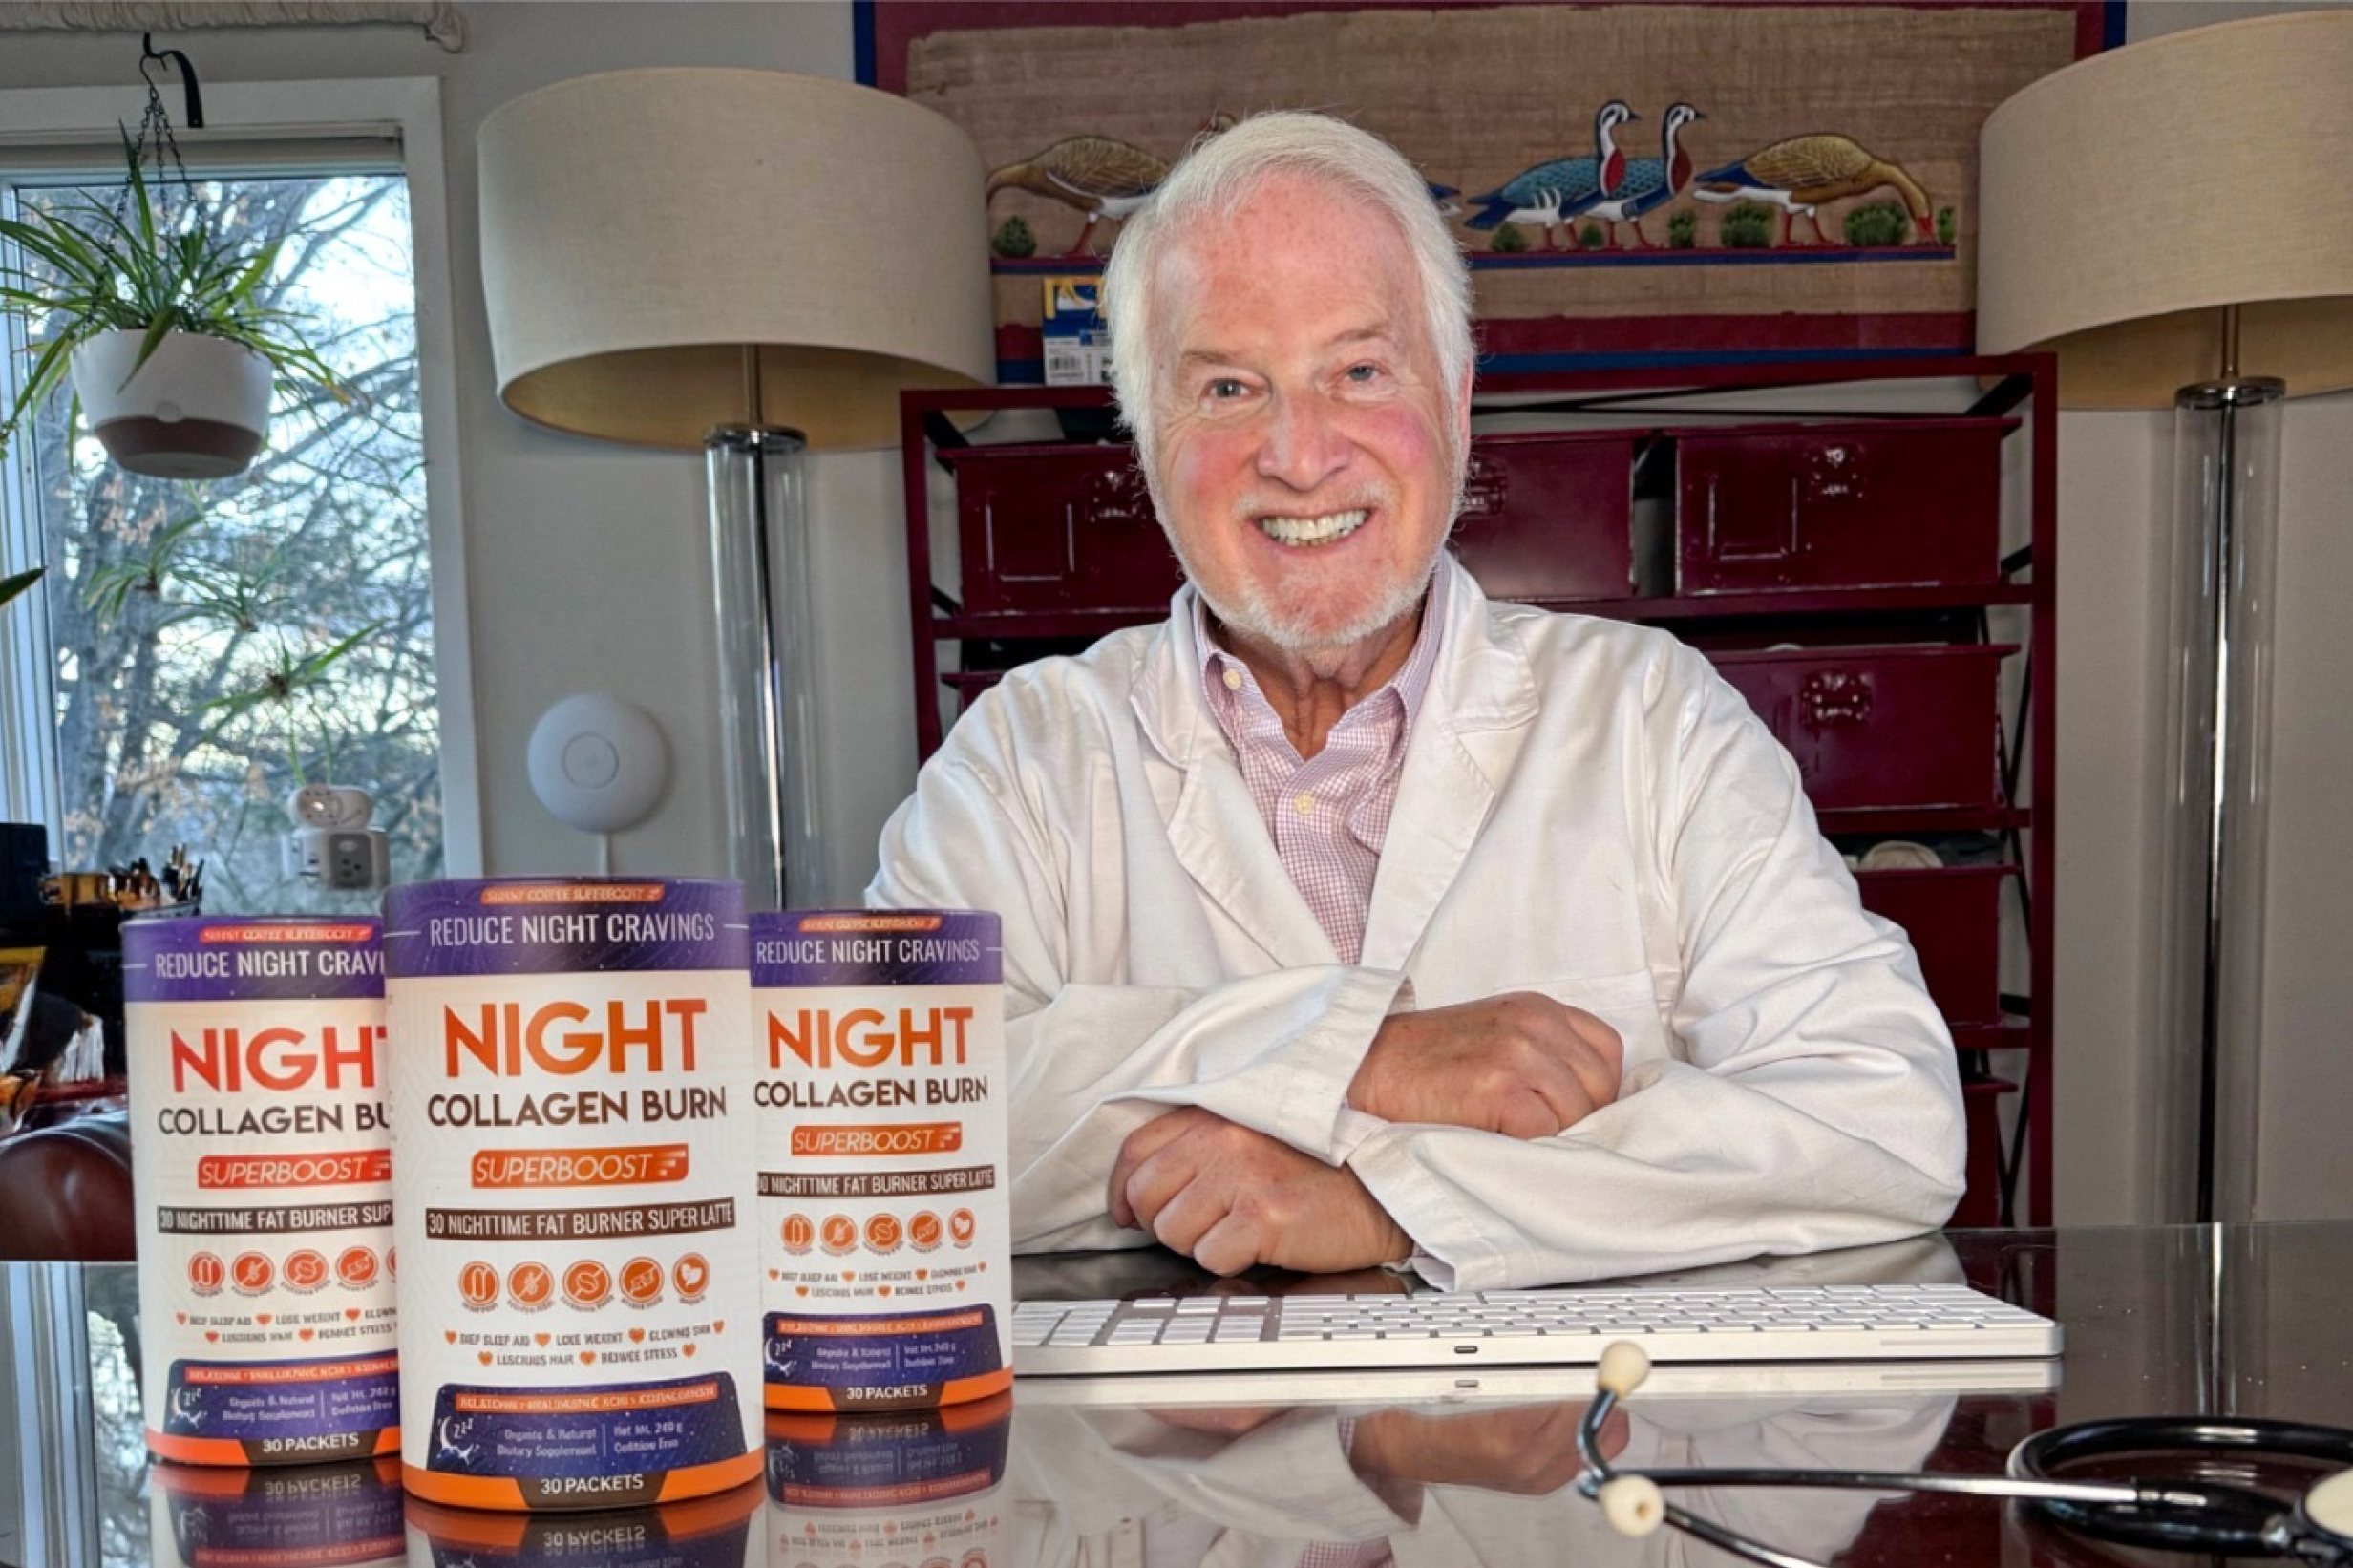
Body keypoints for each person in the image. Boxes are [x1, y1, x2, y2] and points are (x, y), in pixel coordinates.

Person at [869, 110, 1964, 1290]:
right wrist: (1364, 1058)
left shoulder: (1654, 717)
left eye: (1358, 372)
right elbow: (875, 1134)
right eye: (1228, 387)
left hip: (1569, 1415)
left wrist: (1390, 1198)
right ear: (1143, 438)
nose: (1300, 456)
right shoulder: (1022, 756)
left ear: (1454, 396)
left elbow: (1881, 1119)